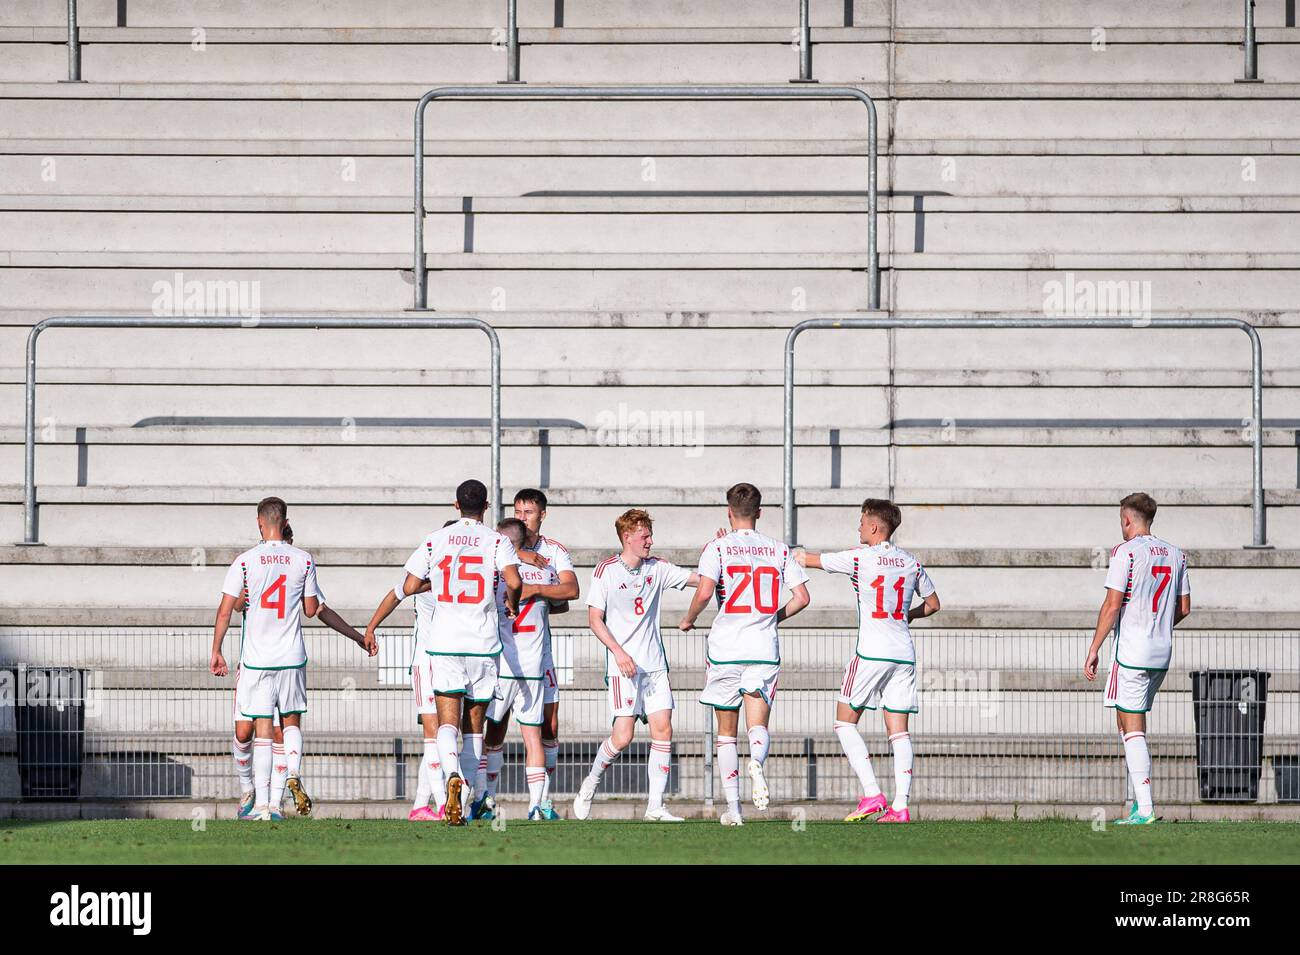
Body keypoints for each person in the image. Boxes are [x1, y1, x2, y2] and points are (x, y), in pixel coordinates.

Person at [370, 479, 521, 825]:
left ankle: (451, 777)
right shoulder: (496, 540)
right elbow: (513, 581)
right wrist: (511, 604)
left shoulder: (435, 540)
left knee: (446, 723)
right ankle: (466, 799)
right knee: (474, 728)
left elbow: (408, 587)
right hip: (483, 645)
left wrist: (436, 579)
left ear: (456, 505)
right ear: (486, 507)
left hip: (445, 644)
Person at [797, 499, 940, 824]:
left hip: (871, 652)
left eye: (862, 521)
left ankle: (872, 793)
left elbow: (809, 560)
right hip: (903, 653)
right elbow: (933, 604)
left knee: (845, 722)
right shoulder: (910, 562)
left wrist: (787, 553)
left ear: (875, 526)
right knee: (899, 732)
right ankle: (900, 807)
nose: (858, 526)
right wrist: (908, 615)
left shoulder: (860, 558)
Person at [678, 483, 810, 825]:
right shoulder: (779, 549)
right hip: (763, 647)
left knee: (725, 731)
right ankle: (758, 762)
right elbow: (802, 598)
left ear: (728, 511)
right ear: (760, 512)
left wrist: (689, 618)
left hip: (726, 648)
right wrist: (771, 617)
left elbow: (705, 591)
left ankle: (734, 810)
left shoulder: (717, 547)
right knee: (758, 723)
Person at [572, 509, 700, 822]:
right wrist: (618, 652)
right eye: (644, 536)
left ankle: (655, 806)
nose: (650, 542)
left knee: (663, 730)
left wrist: (716, 553)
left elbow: (699, 579)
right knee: (623, 737)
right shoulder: (606, 571)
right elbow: (593, 618)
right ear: (627, 537)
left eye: (650, 535)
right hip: (623, 666)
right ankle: (591, 782)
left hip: (654, 665)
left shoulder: (658, 568)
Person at [1083, 492, 1191, 825]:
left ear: (1128, 520)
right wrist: (1157, 625)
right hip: (1161, 652)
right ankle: (1137, 802)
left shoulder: (1125, 552)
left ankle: (1145, 808)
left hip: (1131, 651)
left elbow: (1112, 605)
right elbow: (1184, 608)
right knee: (1127, 722)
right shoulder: (1176, 553)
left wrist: (1093, 648)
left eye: (1121, 521)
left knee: (1133, 727)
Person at [479, 518, 569, 820]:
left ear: (503, 542)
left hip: (503, 665)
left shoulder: (494, 573)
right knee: (533, 737)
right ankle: (536, 806)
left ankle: (485, 800)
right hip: (532, 668)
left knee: (489, 736)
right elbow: (564, 604)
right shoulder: (545, 571)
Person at [511, 489, 580, 818]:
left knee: (548, 725)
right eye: (518, 511)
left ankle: (544, 801)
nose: (523, 517)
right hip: (503, 652)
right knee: (492, 727)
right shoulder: (501, 547)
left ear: (542, 515)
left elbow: (570, 591)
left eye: (529, 512)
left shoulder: (554, 551)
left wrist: (539, 590)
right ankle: (484, 798)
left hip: (540, 653)